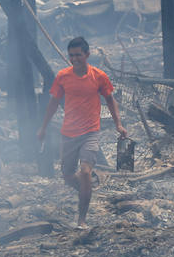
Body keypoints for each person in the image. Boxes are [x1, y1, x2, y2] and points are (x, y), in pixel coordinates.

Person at [37, 36, 127, 228]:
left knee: (85, 172)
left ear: (87, 55)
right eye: (71, 55)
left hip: (90, 133)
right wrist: (43, 127)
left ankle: (82, 219)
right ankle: (86, 192)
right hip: (68, 134)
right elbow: (53, 103)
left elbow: (111, 100)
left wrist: (118, 124)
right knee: (68, 176)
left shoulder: (99, 76)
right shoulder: (62, 76)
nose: (75, 59)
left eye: (78, 55)